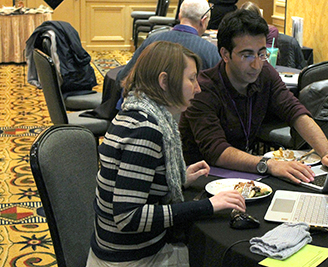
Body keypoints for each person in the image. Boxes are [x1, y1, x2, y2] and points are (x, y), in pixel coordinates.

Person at [86, 41, 246, 266]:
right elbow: (128, 217)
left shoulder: (137, 112)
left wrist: (176, 178)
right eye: (191, 79)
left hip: (119, 251)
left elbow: (135, 185)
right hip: (131, 258)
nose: (197, 88)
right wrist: (207, 206)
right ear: (164, 81)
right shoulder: (146, 130)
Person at [179, 9, 328, 184]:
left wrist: (327, 152)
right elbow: (216, 151)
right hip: (201, 179)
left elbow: (295, 111)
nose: (256, 64)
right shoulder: (203, 89)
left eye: (261, 54)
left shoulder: (265, 72)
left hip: (240, 174)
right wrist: (268, 164)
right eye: (247, 55)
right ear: (225, 54)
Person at [114, 0, 221, 111]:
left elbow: (123, 78)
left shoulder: (152, 41)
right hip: (194, 119)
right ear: (203, 21)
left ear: (180, 16)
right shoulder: (211, 52)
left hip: (142, 111)